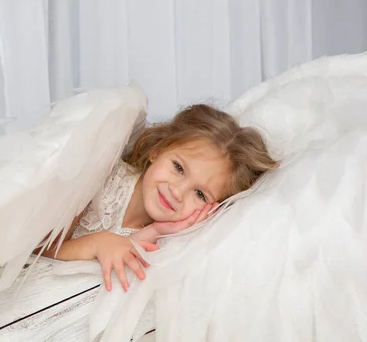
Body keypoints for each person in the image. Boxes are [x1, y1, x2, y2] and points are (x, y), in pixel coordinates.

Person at [42, 104, 279, 292]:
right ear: (157, 149)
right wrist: (98, 242)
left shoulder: (171, 241)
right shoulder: (99, 178)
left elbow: (122, 255)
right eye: (178, 167)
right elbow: (36, 250)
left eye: (199, 194)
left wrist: (157, 231)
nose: (177, 191)